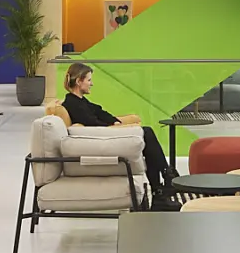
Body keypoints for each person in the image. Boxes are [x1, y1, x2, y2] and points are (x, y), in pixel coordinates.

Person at [61, 62, 173, 203]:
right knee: (147, 133)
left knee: (147, 139)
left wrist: (115, 122)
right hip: (103, 140)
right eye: (89, 80)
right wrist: (114, 127)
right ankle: (165, 179)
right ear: (78, 81)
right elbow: (93, 124)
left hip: (104, 136)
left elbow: (99, 111)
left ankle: (161, 186)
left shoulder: (80, 101)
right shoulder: (72, 104)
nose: (92, 84)